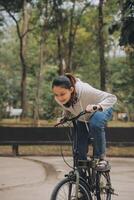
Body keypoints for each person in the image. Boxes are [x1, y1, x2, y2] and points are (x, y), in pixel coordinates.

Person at [52, 74, 117, 170]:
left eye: (62, 94)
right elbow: (68, 107)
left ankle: (101, 158)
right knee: (78, 151)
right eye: (56, 95)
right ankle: (81, 180)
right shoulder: (59, 98)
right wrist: (65, 116)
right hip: (83, 116)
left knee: (95, 123)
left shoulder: (85, 90)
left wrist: (97, 106)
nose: (60, 98)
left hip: (102, 108)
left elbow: (112, 98)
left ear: (71, 89)